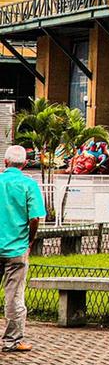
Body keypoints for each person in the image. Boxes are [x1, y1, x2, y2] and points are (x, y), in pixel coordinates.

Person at [0, 145, 44, 353]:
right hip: (17, 248)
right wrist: (30, 240)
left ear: (5, 162)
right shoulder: (29, 185)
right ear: (25, 164)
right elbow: (35, 218)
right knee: (15, 296)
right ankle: (12, 341)